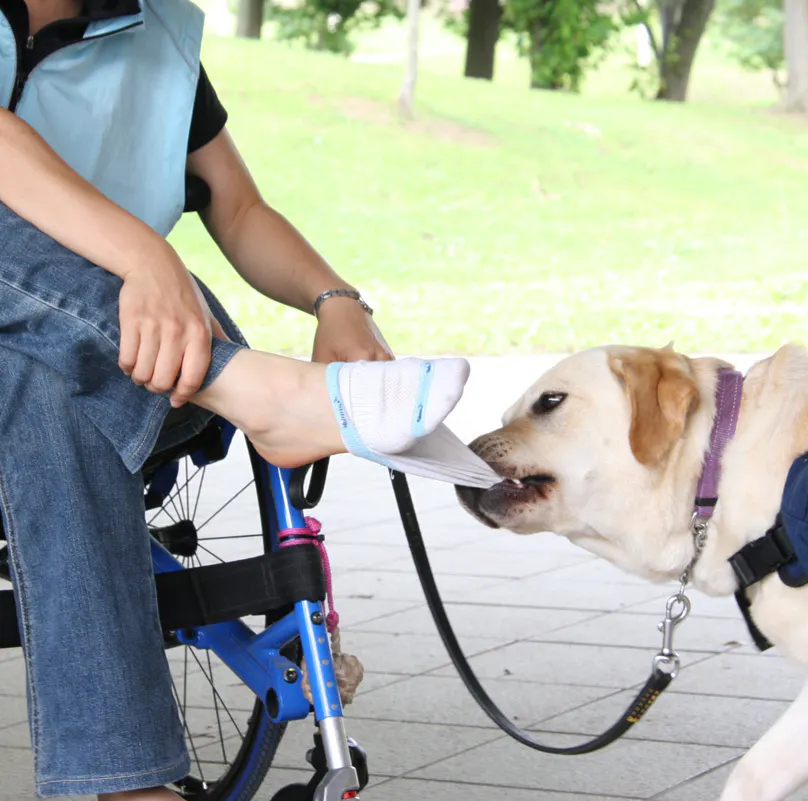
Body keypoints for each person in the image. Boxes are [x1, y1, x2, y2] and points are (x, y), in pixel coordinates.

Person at [0, 0, 472, 796]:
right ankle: (261, 390)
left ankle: (123, 782)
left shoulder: (155, 34)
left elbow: (239, 205)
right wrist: (144, 252)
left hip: (130, 353)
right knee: (49, 373)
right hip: (132, 324)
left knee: (47, 383)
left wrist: (336, 300)